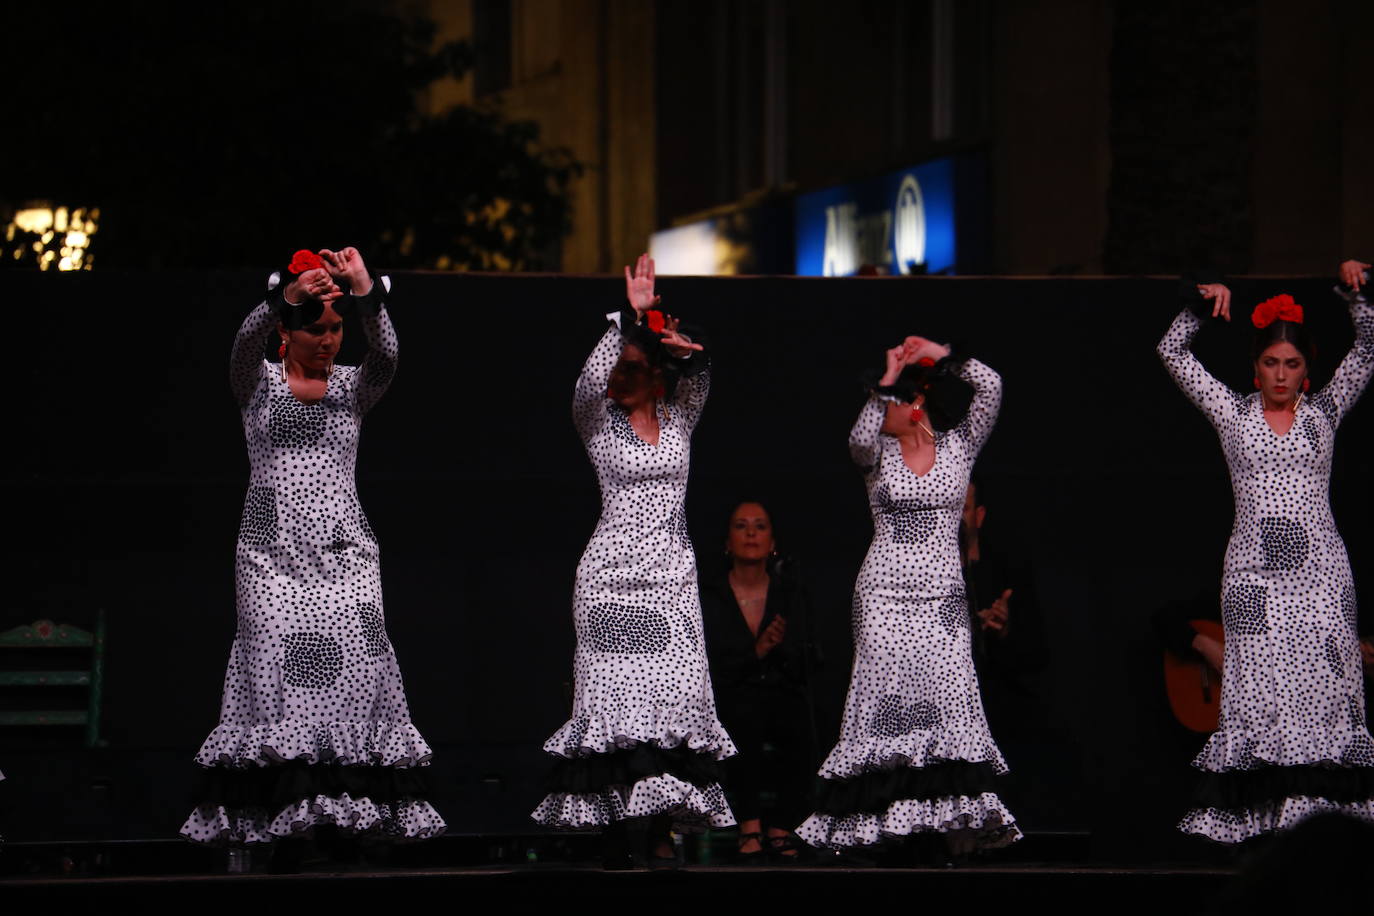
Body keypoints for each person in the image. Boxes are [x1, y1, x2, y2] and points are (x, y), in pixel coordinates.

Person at [181, 248, 445, 859]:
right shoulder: (257, 384)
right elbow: (243, 347)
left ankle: (341, 825)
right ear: (288, 331)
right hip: (270, 556)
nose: (328, 340)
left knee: (355, 675)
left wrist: (366, 296)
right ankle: (282, 824)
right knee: (274, 675)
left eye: (335, 329)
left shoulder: (353, 388)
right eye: (315, 328)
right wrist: (285, 294)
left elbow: (389, 356)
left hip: (346, 555)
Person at [1157, 259, 1374, 843]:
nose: (1281, 374)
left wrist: (1356, 291)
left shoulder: (1324, 415)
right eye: (1271, 363)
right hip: (1252, 580)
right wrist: (1201, 307)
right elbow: (1173, 354)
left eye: (1293, 364)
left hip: (1321, 575)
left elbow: (1368, 351)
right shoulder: (1233, 414)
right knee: (1258, 690)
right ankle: (1261, 833)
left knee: (1326, 692)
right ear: (1255, 369)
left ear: (1307, 372)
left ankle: (1320, 834)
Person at [531, 255, 735, 867]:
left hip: (671, 577)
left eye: (635, 368)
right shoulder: (597, 423)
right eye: (622, 365)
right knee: (615, 704)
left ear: (657, 376)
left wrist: (680, 348)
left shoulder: (681, 418)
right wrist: (627, 321)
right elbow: (587, 383)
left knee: (671, 702)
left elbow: (700, 375)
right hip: (610, 577)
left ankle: (660, 830)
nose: (621, 375)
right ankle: (619, 835)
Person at [796, 336, 1021, 852]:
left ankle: (940, 833)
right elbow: (856, 438)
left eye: (890, 401)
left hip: (942, 601)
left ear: (915, 403)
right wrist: (887, 377)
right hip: (883, 595)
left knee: (945, 705)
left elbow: (992, 387)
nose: (879, 411)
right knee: (883, 705)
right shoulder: (878, 456)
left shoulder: (959, 446)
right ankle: (880, 831)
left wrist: (943, 355)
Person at [700, 501, 818, 861]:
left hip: (782, 689)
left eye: (760, 526)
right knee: (743, 716)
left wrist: (778, 650)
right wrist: (758, 651)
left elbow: (808, 654)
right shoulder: (710, 593)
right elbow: (710, 662)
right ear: (727, 540)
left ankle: (781, 827)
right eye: (741, 525)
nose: (751, 533)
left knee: (800, 717)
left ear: (772, 541)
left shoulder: (789, 590)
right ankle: (748, 826)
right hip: (730, 692)